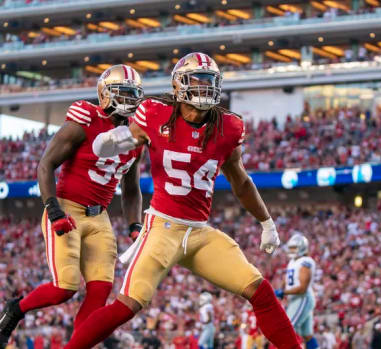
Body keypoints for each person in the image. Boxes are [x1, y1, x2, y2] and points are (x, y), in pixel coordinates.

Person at [66, 52, 300, 348]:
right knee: (127, 304)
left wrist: (266, 222)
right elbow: (131, 137)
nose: (204, 88)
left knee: (260, 291)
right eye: (197, 81)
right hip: (162, 229)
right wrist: (114, 140)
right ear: (179, 85)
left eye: (209, 82)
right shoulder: (154, 113)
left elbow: (240, 180)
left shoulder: (228, 127)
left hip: (199, 232)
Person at [0, 64, 145, 349]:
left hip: (100, 217)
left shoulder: (135, 138)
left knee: (100, 290)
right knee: (65, 288)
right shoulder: (85, 120)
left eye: (133, 94)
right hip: (67, 208)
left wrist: (134, 225)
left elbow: (131, 188)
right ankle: (15, 309)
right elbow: (46, 164)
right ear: (104, 94)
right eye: (122, 93)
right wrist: (53, 209)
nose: (128, 101)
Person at [278, 234, 318, 349]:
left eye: (294, 248)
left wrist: (284, 292)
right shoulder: (292, 262)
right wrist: (282, 289)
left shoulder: (305, 261)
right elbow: (288, 279)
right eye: (290, 248)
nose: (291, 251)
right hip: (295, 299)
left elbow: (302, 288)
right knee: (307, 335)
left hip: (302, 298)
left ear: (302, 247)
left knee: (286, 329)